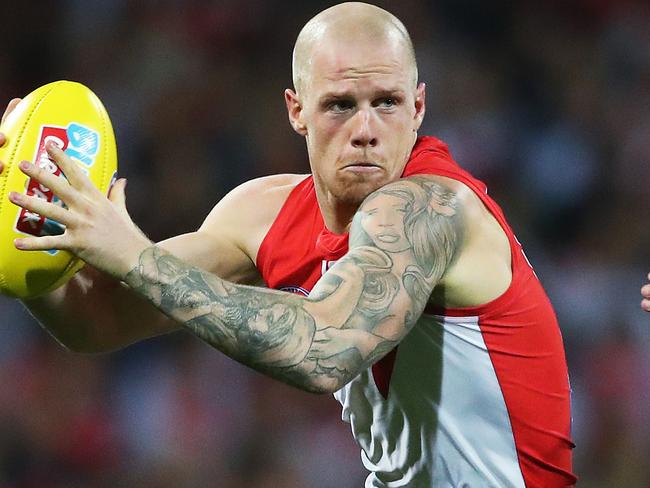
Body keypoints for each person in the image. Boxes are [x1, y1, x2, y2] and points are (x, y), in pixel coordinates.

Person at [0, 2, 576, 486]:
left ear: (419, 106)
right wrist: (12, 227)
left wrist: (134, 255)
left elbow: (327, 346)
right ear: (296, 110)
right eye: (340, 105)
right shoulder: (262, 215)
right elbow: (94, 318)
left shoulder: (434, 209)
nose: (367, 128)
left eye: (388, 102)